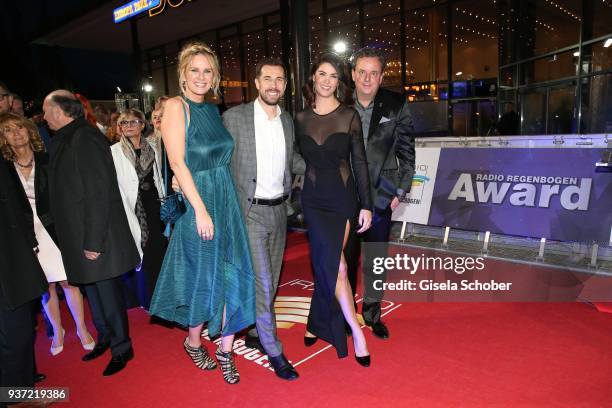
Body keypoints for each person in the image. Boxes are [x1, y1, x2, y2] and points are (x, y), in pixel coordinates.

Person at [149, 42, 255, 384]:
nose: (201, 76)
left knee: (234, 272)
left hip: (224, 199)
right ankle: (193, 342)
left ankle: (225, 349)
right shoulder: (175, 107)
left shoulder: (212, 110)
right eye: (194, 69)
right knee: (203, 275)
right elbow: (177, 162)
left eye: (207, 70)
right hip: (201, 204)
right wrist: (200, 210)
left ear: (216, 77)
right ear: (182, 73)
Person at [44, 90, 140, 376]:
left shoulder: (84, 138)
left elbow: (99, 193)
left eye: (47, 111)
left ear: (61, 112)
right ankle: (106, 339)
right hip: (80, 237)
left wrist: (94, 241)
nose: (44, 116)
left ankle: (122, 348)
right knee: (94, 294)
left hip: (96, 238)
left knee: (107, 295)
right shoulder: (68, 138)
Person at [222, 57, 305, 381]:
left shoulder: (287, 121)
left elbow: (292, 159)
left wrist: (324, 166)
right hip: (250, 212)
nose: (273, 84)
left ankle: (257, 330)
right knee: (263, 281)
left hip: (279, 211)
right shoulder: (234, 118)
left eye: (280, 79)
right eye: (267, 78)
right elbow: (218, 160)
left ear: (285, 85)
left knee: (272, 278)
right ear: (256, 83)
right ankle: (274, 349)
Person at [295, 53, 373, 366]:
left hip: (342, 199)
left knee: (336, 266)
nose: (327, 81)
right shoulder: (299, 118)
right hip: (313, 201)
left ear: (339, 83)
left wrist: (366, 204)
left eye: (333, 76)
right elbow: (290, 158)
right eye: (322, 74)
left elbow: (360, 162)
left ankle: (356, 332)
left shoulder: (349, 116)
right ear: (313, 78)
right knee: (326, 263)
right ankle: (320, 322)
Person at [0, 112, 96, 356]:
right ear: (3, 138)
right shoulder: (5, 168)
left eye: (19, 128)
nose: (16, 133)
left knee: (68, 281)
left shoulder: (48, 158)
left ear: (29, 131)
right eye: (9, 130)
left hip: (54, 228)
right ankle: (57, 330)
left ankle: (82, 329)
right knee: (45, 286)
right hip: (25, 234)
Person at [345, 48, 415, 340]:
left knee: (375, 260)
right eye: (362, 71)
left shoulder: (396, 104)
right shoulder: (337, 104)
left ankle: (372, 315)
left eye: (374, 73)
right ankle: (345, 315)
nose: (367, 78)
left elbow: (408, 154)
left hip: (382, 196)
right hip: (345, 195)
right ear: (352, 75)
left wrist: (400, 190)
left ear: (382, 76)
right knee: (345, 261)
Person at [0, 149, 49, 405]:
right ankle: (16, 395)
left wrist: (29, 241)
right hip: (7, 260)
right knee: (13, 328)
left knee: (21, 323)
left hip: (14, 251)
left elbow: (17, 201)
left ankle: (22, 385)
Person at [111, 109, 166, 310]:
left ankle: (161, 297)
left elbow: (160, 175)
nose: (129, 126)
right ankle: (146, 298)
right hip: (133, 207)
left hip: (155, 204)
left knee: (157, 250)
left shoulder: (153, 146)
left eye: (134, 121)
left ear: (143, 125)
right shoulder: (114, 152)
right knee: (140, 252)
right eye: (124, 123)